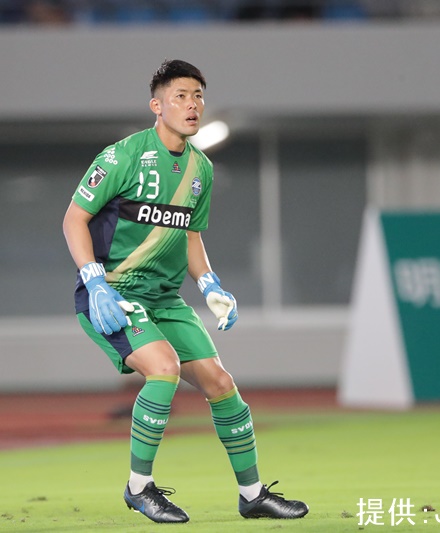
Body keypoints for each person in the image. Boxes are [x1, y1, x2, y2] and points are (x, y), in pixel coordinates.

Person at [62, 59, 309, 524]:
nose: (192, 104)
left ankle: (252, 495)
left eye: (198, 96)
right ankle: (139, 488)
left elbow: (189, 232)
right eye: (180, 96)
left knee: (221, 384)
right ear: (156, 106)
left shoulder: (201, 169)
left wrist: (209, 282)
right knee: (164, 369)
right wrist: (95, 281)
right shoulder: (122, 157)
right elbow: (74, 218)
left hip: (165, 299)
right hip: (114, 293)